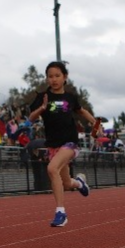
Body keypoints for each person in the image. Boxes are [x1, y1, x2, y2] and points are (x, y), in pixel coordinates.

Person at [28, 61, 95, 227]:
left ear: (65, 77)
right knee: (66, 184)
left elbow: (81, 111)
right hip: (53, 145)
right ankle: (79, 183)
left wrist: (95, 123)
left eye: (57, 76)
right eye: (50, 76)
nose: (54, 79)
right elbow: (31, 118)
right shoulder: (42, 97)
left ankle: (61, 213)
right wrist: (42, 108)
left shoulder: (70, 97)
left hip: (70, 142)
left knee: (51, 168)